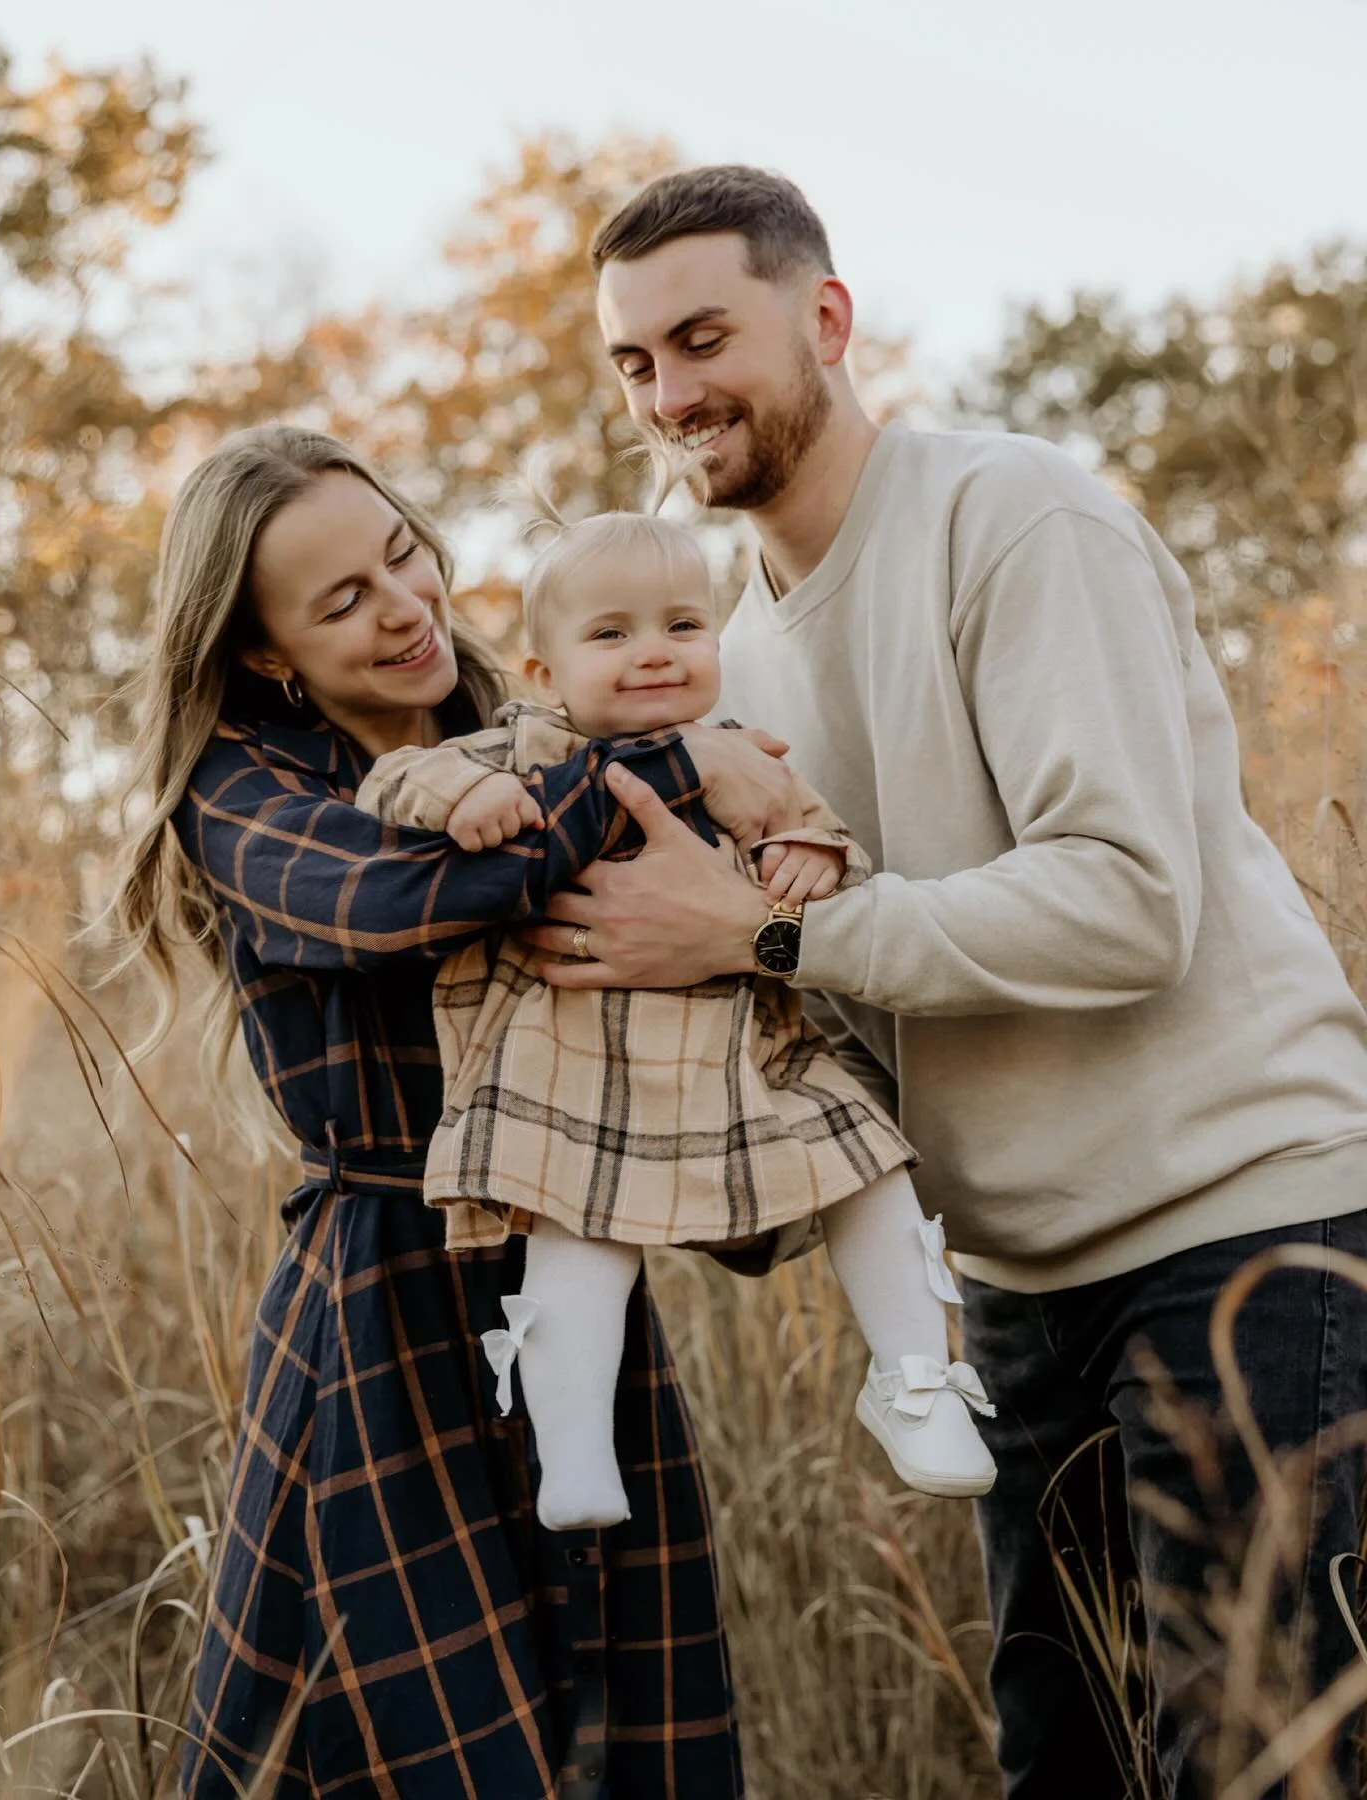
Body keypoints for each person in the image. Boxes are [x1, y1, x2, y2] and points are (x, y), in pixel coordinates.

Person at [525, 165, 1367, 1797]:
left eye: (703, 338)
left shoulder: (1015, 517)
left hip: (1243, 1235)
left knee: (1258, 1764)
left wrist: (764, 935)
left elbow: (1126, 905)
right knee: (1065, 1767)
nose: (670, 395)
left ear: (827, 319)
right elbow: (853, 1009)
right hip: (1018, 1292)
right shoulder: (726, 668)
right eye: (633, 362)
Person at [111, 423, 805, 1799]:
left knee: (618, 1730)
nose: (406, 605)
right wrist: (680, 767)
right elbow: (409, 897)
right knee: (427, 1748)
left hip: (571, 1275)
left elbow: (690, 960)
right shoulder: (242, 790)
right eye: (343, 600)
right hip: (387, 1310)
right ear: (266, 652)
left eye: (403, 555)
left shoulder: (532, 726)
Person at [352, 449, 996, 1533]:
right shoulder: (526, 746)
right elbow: (393, 778)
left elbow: (826, 839)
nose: (654, 651)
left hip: (740, 1054)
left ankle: (916, 1379)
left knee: (870, 1167)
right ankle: (572, 1447)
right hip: (576, 1058)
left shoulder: (746, 754)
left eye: (682, 626)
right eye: (611, 634)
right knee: (577, 1241)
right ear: (545, 670)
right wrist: (459, 792)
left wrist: (814, 857)